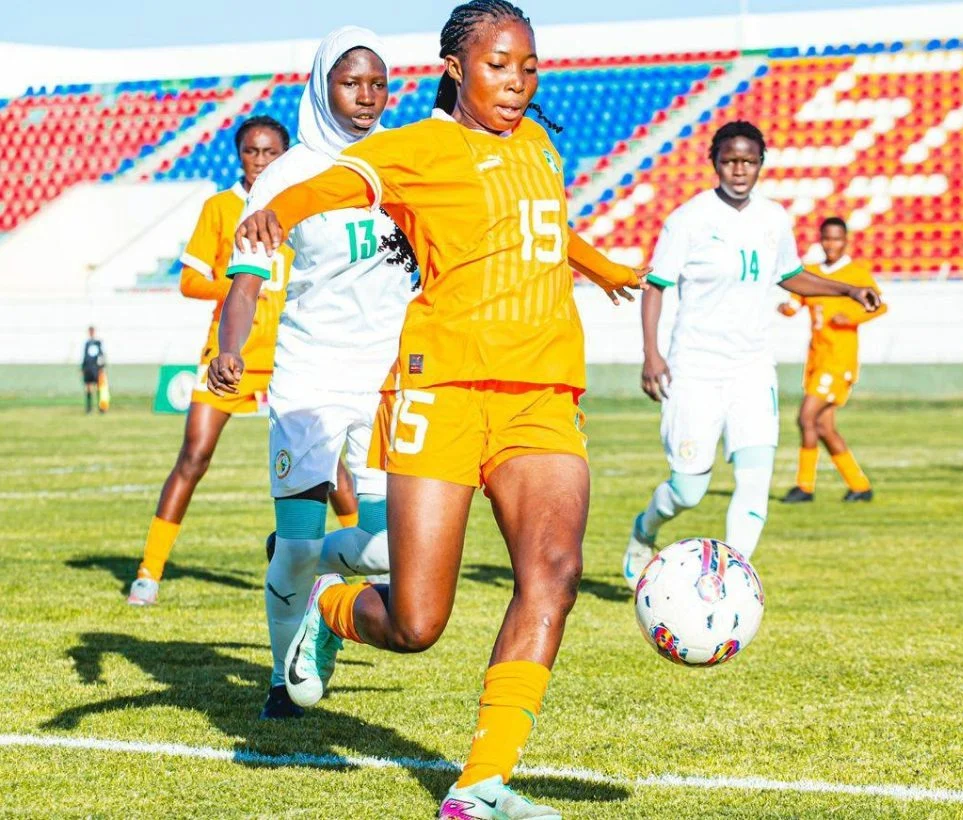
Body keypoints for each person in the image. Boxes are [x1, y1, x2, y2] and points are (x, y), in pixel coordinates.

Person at [210, 2, 643, 814]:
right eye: (498, 66)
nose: (517, 83)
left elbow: (538, 229)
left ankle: (480, 785)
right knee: (416, 622)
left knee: (552, 575)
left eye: (528, 67)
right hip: (439, 395)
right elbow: (344, 180)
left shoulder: (543, 149)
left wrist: (604, 266)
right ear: (454, 68)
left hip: (542, 395)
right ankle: (331, 610)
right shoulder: (421, 147)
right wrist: (283, 211)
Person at [213, 27, 421, 719]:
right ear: (322, 83)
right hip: (310, 379)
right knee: (297, 550)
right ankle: (281, 676)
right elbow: (244, 279)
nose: (366, 97)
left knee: (396, 553)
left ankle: (323, 597)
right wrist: (231, 348)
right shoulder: (285, 175)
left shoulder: (405, 162)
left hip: (393, 381)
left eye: (378, 83)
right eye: (350, 81)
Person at [621, 124, 882, 589]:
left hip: (752, 368)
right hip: (696, 368)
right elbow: (656, 287)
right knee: (688, 490)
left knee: (754, 480)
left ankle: (729, 584)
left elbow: (792, 274)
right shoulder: (689, 219)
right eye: (729, 160)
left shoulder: (774, 218)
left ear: (761, 162)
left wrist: (846, 288)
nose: (739, 170)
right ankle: (645, 530)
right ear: (713, 161)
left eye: (748, 160)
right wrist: (651, 355)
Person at [126, 115, 355, 607]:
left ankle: (363, 562)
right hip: (230, 354)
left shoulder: (304, 204)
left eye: (270, 152)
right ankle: (149, 571)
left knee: (329, 463)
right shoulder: (220, 207)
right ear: (239, 155)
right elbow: (190, 280)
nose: (260, 161)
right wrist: (235, 287)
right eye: (252, 152)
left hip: (293, 353)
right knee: (194, 455)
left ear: (284, 155)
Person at [779, 217, 888, 503]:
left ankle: (804, 486)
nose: (831, 245)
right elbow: (796, 301)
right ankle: (860, 486)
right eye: (827, 239)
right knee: (824, 427)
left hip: (839, 361)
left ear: (846, 240)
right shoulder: (812, 273)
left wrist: (851, 317)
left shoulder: (856, 274)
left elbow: (879, 305)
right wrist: (786, 309)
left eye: (837, 239)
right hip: (816, 359)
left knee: (805, 417)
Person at [81, 327, 106, 414]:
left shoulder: (98, 343)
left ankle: (101, 408)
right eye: (90, 331)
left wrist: (102, 368)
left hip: (96, 369)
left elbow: (102, 356)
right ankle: (89, 409)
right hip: (88, 369)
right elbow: (84, 357)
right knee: (88, 388)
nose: (91, 333)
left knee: (99, 388)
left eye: (92, 331)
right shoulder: (87, 343)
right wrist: (82, 368)